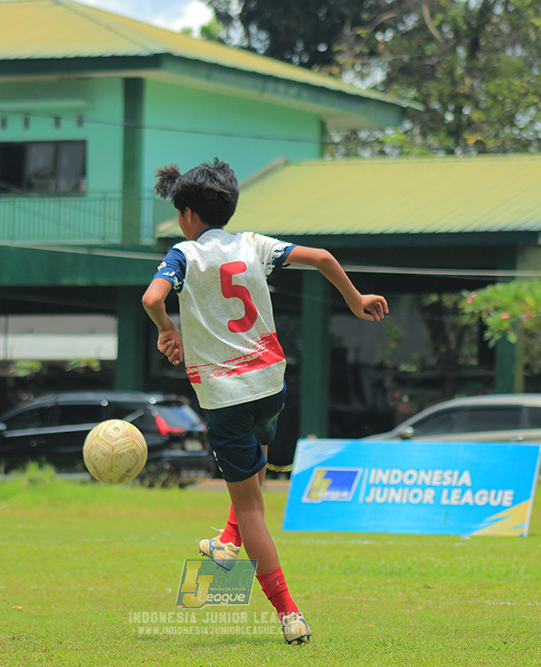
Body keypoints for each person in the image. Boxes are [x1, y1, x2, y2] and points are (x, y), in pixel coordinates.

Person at [141, 158, 388, 645]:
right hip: (271, 384)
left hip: (225, 395)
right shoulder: (254, 244)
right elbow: (320, 258)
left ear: (188, 214)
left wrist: (168, 331)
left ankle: (288, 612)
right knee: (255, 465)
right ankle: (228, 542)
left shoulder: (185, 254)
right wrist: (356, 299)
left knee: (250, 507)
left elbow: (152, 299)